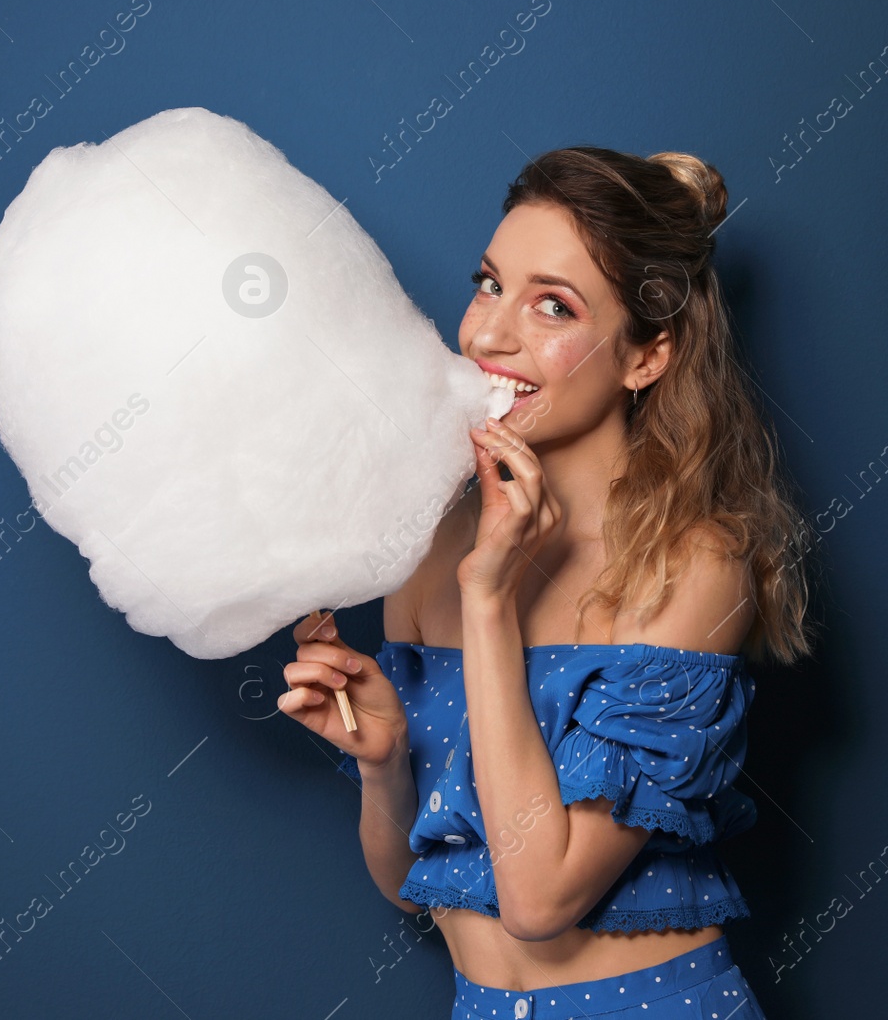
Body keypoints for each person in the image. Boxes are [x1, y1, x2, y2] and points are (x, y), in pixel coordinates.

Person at [279, 145, 817, 1020]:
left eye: (553, 306)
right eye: (489, 284)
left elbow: (539, 901)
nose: (490, 334)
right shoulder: (429, 546)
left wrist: (489, 598)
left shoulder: (694, 566)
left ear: (648, 357)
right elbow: (420, 890)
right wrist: (383, 768)